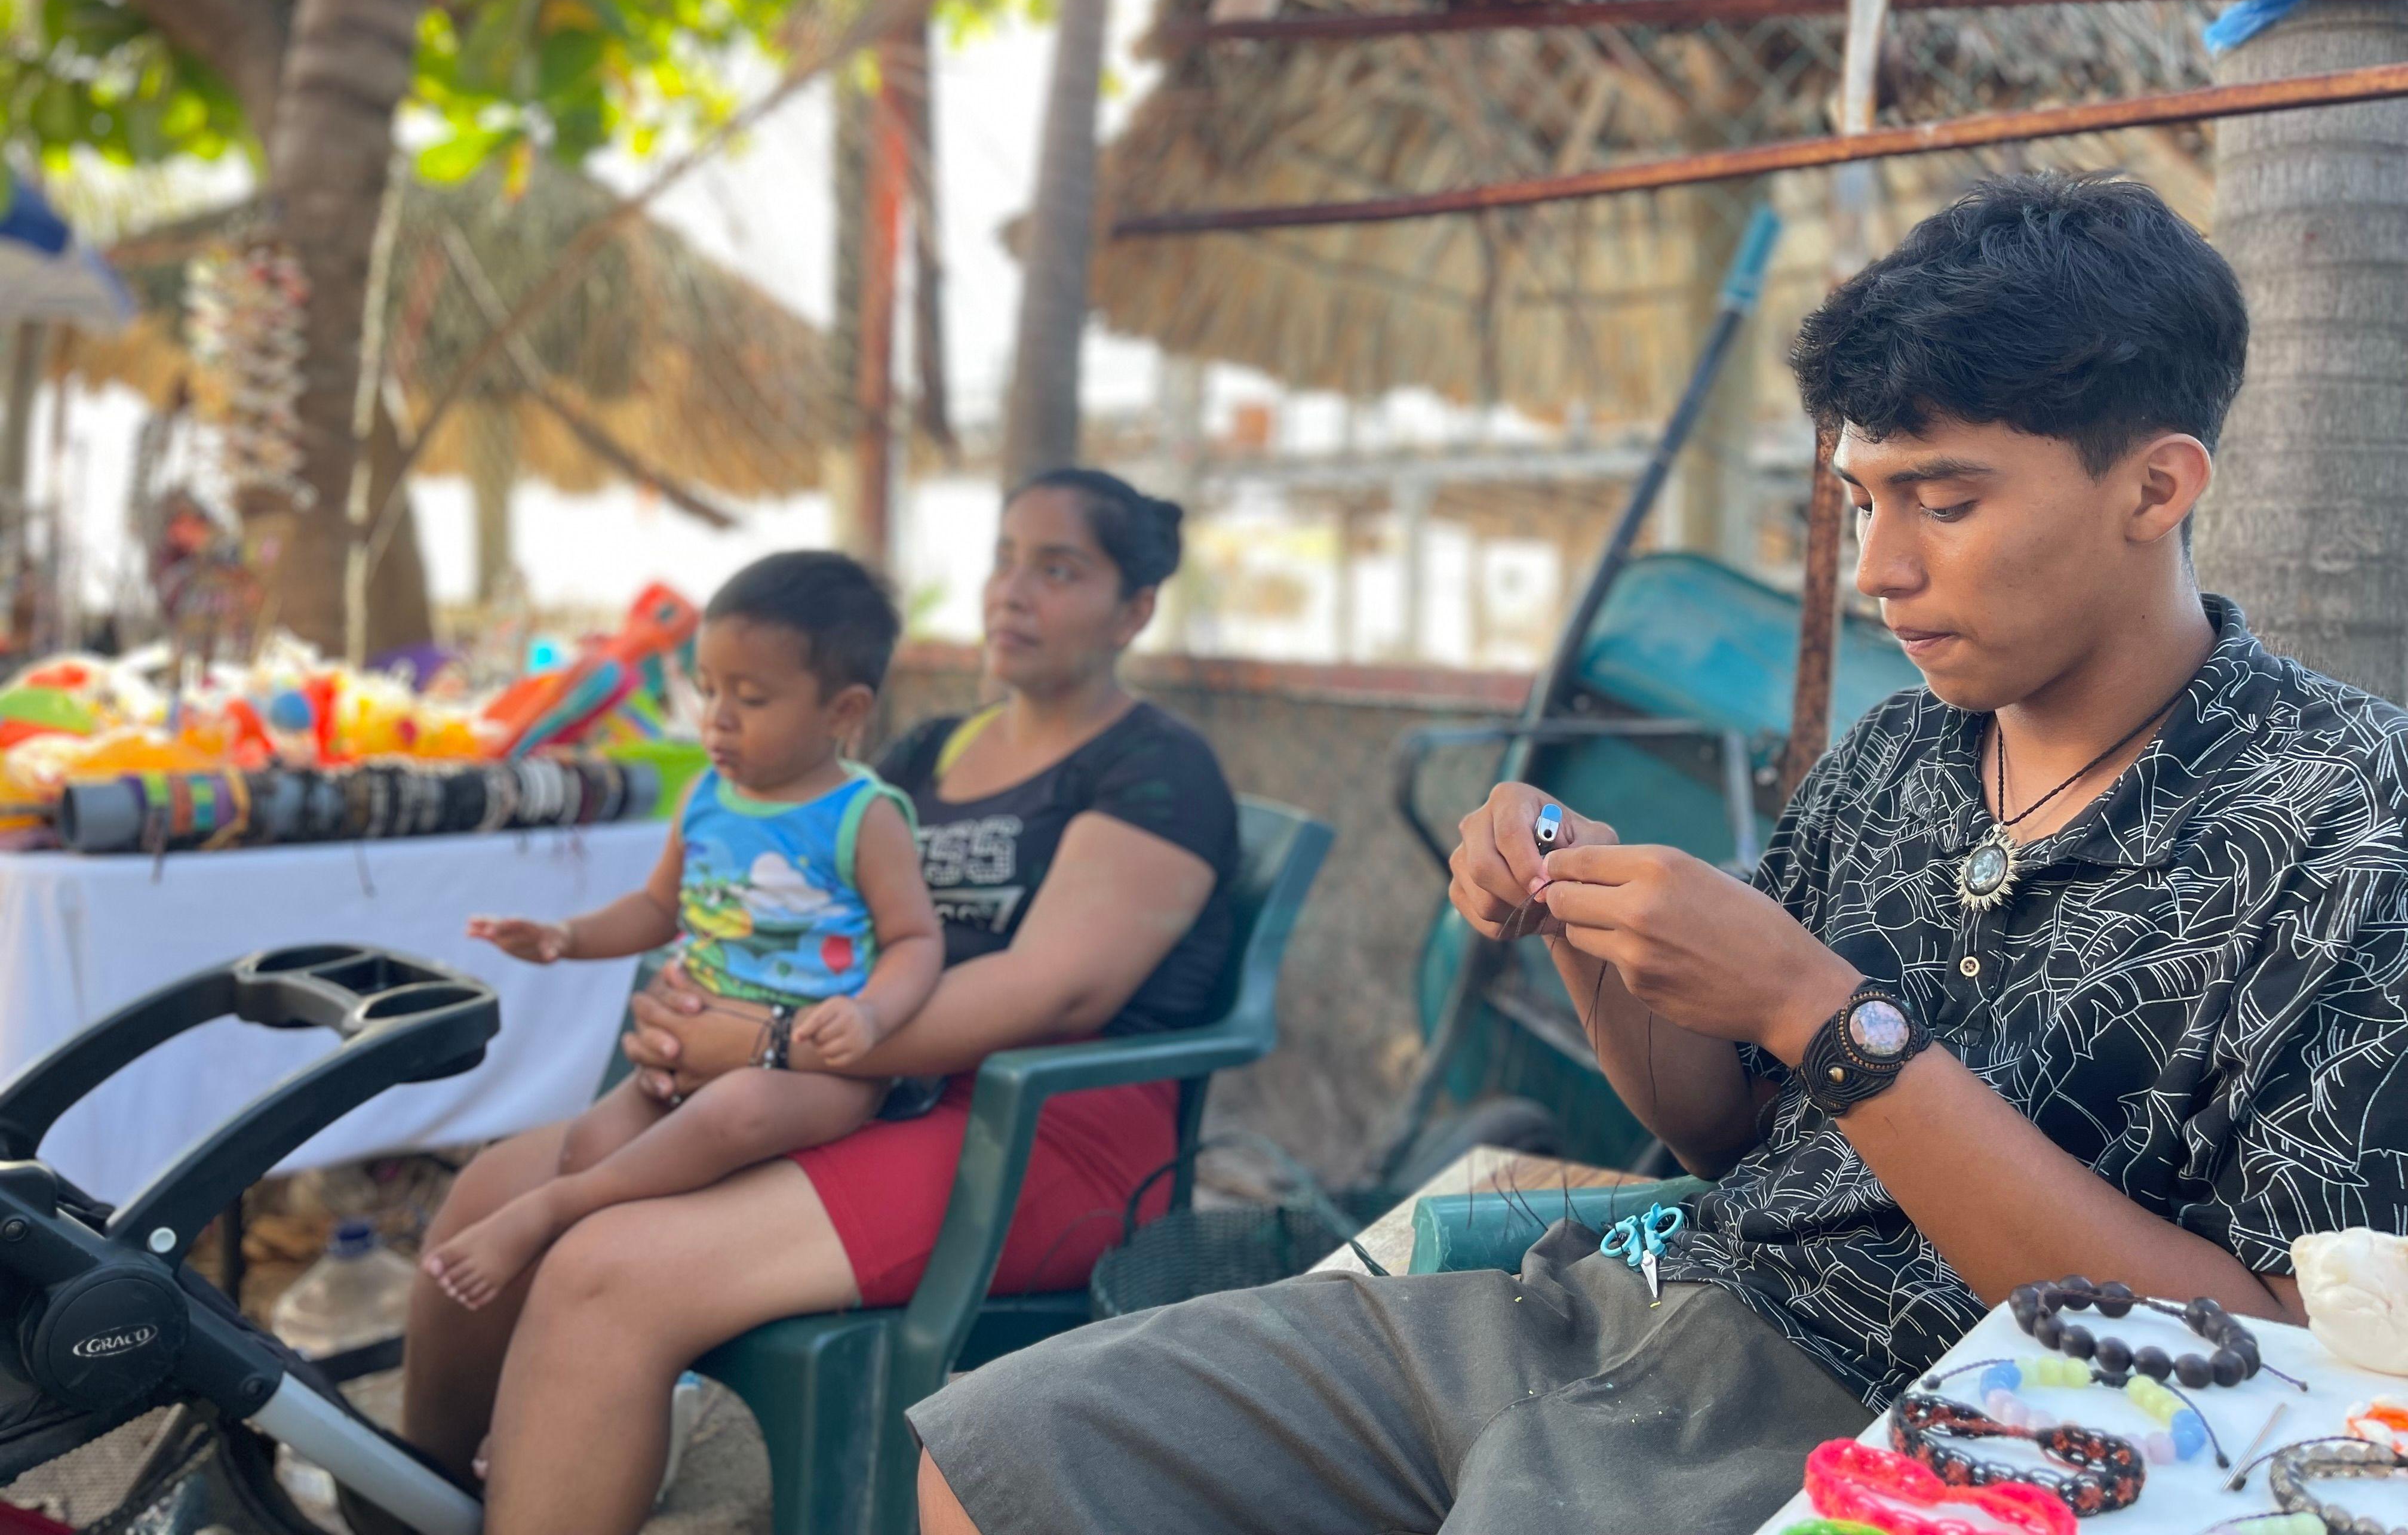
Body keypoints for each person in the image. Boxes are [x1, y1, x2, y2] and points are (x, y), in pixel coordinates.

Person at [913, 174, 2408, 1535]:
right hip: (1639, 1313)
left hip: (1938, 1431)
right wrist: (1590, 922)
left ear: (2158, 488)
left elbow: (2278, 1349)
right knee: (1014, 1445)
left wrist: (1826, 1022)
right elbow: (1734, 1145)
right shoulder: (1899, 757)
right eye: (1862, 503)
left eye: (1944, 504)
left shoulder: (2349, 823)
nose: (1884, 570)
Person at [398, 468, 1240, 1535]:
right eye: (1003, 558)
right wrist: (695, 998)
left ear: (1135, 609)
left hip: (1041, 1129)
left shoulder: (1158, 766)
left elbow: (1059, 985)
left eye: (1058, 569)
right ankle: (416, 1509)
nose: (1010, 591)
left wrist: (773, 1040)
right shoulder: (930, 751)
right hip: (872, 1088)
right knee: (495, 1187)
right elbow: (786, 884)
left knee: (604, 1272)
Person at [421, 551, 942, 1311]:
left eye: (752, 698)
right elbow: (657, 908)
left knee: (739, 1112)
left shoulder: (864, 816)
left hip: (812, 1075)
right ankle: (584, 1291)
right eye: (707, 690)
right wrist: (567, 937)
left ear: (844, 712)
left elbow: (915, 941)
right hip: (690, 1054)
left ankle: (555, 1211)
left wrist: (869, 1015)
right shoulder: (707, 796)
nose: (717, 719)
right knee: (589, 1144)